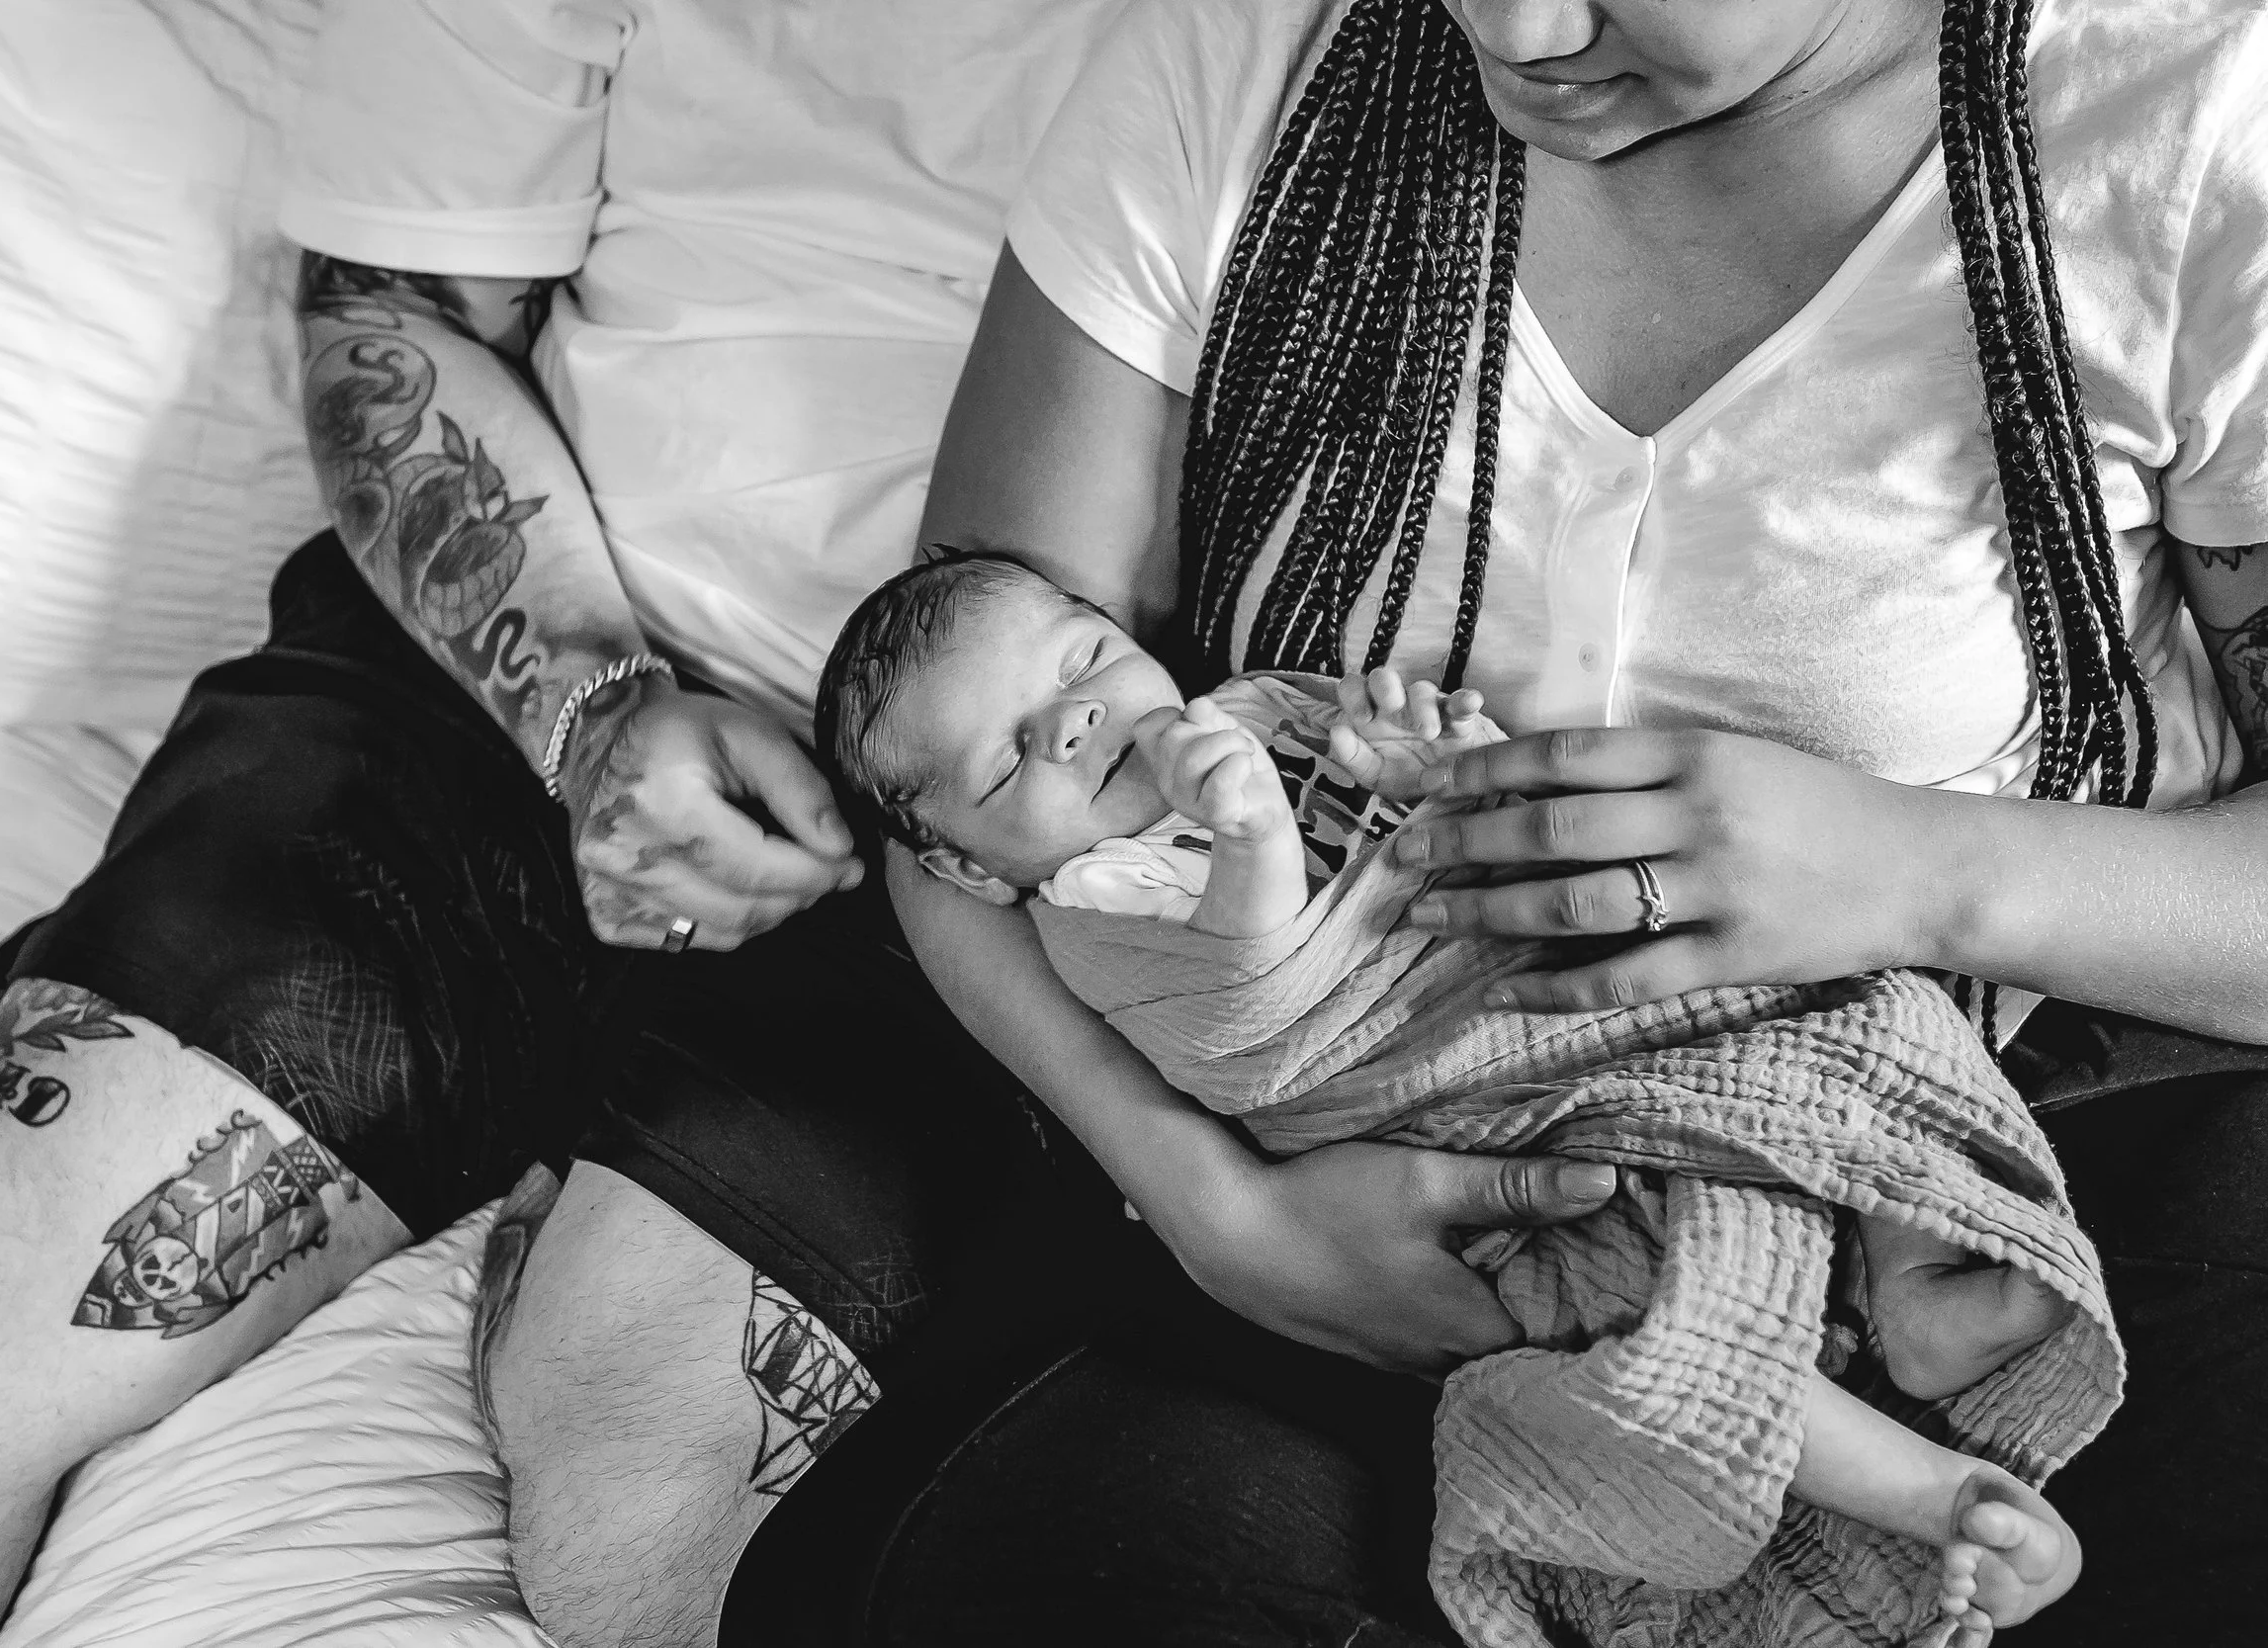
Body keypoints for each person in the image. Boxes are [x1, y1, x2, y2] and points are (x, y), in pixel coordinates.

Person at [0, 3, 1624, 1646]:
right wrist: (586, 712)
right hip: (522, 667)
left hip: (1047, 824)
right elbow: (394, 313)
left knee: (641, 1513)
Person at [764, 0, 2268, 1640]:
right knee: (1010, 1575)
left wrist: (1926, 875)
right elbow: (956, 771)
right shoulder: (1241, 60)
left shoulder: (2187, 124)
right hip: (1369, 1181)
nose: (1522, 27)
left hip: (2035, 1103)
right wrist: (1217, 1207)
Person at [815, 549, 2089, 1641]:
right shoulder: (1092, 906)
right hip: (1451, 1108)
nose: (1076, 722)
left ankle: (1919, 1277)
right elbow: (1241, 1015)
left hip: (1590, 1005)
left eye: (1083, 659)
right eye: (1005, 766)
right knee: (1635, 1311)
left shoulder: (1260, 714)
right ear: (970, 873)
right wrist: (1255, 837)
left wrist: (1435, 758)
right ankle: (1925, 1495)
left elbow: (1477, 815)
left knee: (1858, 1027)